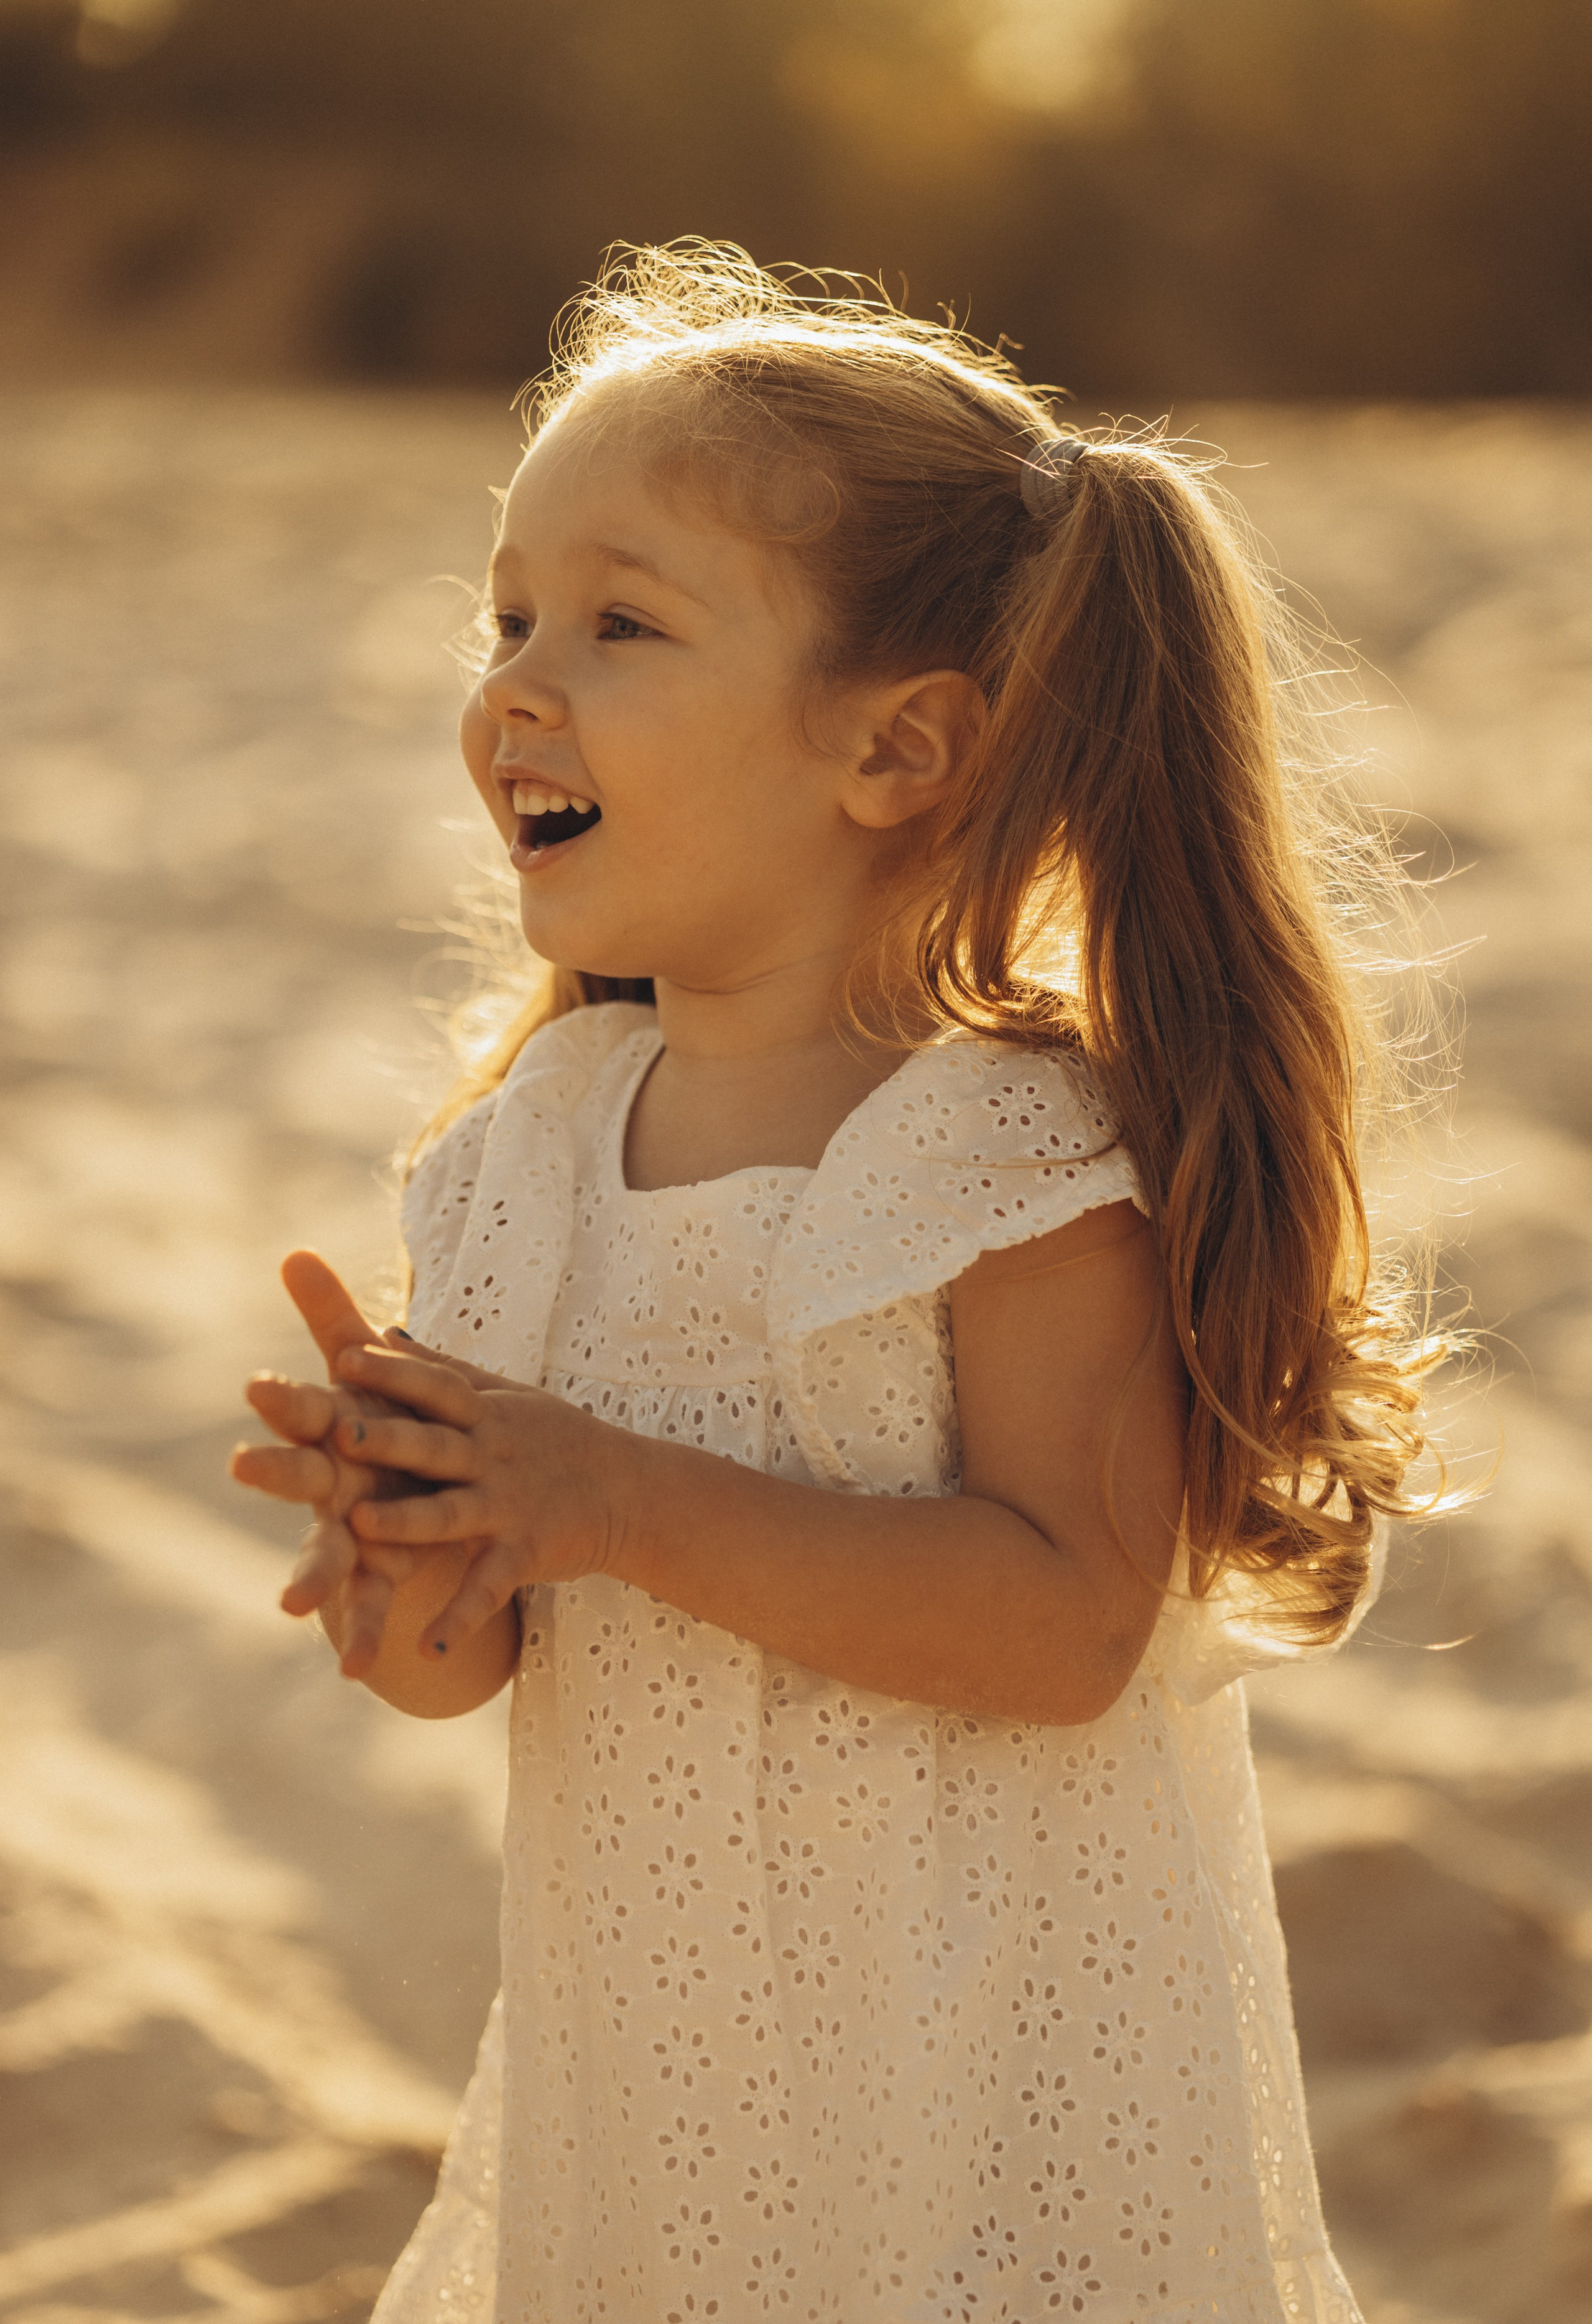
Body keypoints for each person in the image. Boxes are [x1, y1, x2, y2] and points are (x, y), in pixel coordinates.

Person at [232, 241, 1445, 2323]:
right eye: (508, 612)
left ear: (897, 751)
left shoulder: (1003, 1159)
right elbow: (480, 1666)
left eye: (620, 624)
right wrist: (412, 1575)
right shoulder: (534, 1149)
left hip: (984, 2102)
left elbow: (1069, 1620)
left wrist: (606, 1494)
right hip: (665, 2090)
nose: (515, 684)